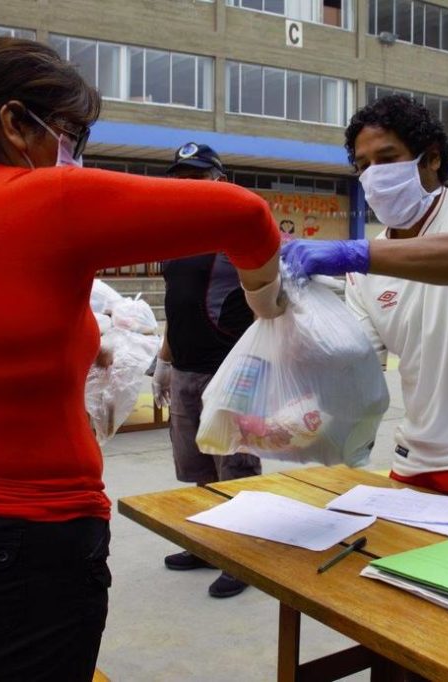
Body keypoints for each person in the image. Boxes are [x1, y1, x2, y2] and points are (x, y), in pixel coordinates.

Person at [0, 19, 283, 681]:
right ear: (14, 122)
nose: (73, 155)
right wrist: (268, 304)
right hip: (9, 547)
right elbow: (246, 215)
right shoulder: (42, 198)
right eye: (71, 135)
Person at [282, 94, 448, 522]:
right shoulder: (363, 271)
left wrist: (355, 254)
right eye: (363, 165)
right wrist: (289, 313)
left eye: (387, 158)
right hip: (416, 466)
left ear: (431, 158)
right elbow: (354, 369)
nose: (373, 175)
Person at [152, 143, 260, 599]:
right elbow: (175, 306)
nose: (186, 187)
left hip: (229, 373)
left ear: (219, 181)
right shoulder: (176, 239)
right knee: (197, 468)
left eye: (196, 178)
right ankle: (208, 545)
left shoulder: (238, 236)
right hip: (185, 372)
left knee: (235, 467)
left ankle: (243, 557)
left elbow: (271, 299)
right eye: (179, 179)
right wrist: (164, 361)